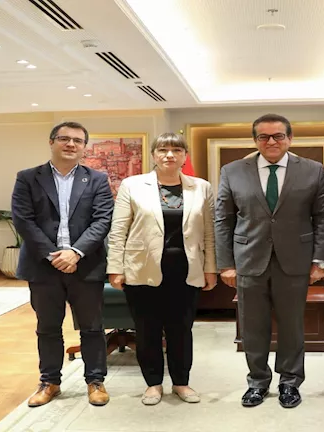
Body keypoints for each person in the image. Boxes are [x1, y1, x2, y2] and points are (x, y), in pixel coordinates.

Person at [215, 113, 324, 408]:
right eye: (264, 136)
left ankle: (290, 382)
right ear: (255, 140)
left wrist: (320, 260)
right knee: (252, 327)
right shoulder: (232, 171)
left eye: (278, 135)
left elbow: (323, 217)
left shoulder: (313, 170)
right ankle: (257, 382)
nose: (271, 141)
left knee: (292, 326)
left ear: (290, 138)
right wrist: (225, 263)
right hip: (248, 259)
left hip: (295, 260)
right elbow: (223, 219)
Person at [107, 133, 217, 405]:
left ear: (184, 156)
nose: (170, 155)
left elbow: (209, 233)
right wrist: (115, 267)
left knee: (181, 330)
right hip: (142, 268)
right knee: (147, 330)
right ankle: (153, 384)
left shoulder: (201, 187)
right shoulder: (133, 185)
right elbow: (119, 230)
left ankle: (181, 382)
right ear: (154, 155)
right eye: (163, 150)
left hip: (186, 269)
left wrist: (210, 268)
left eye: (176, 150)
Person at [11, 121, 113, 407]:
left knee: (92, 327)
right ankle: (50, 382)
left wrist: (76, 252)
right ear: (51, 142)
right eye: (64, 139)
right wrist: (53, 255)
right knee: (47, 327)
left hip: (86, 265)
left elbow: (103, 219)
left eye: (77, 141)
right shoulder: (28, 178)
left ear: (84, 147)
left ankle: (95, 381)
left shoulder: (97, 179)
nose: (71, 144)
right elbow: (23, 220)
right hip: (43, 266)